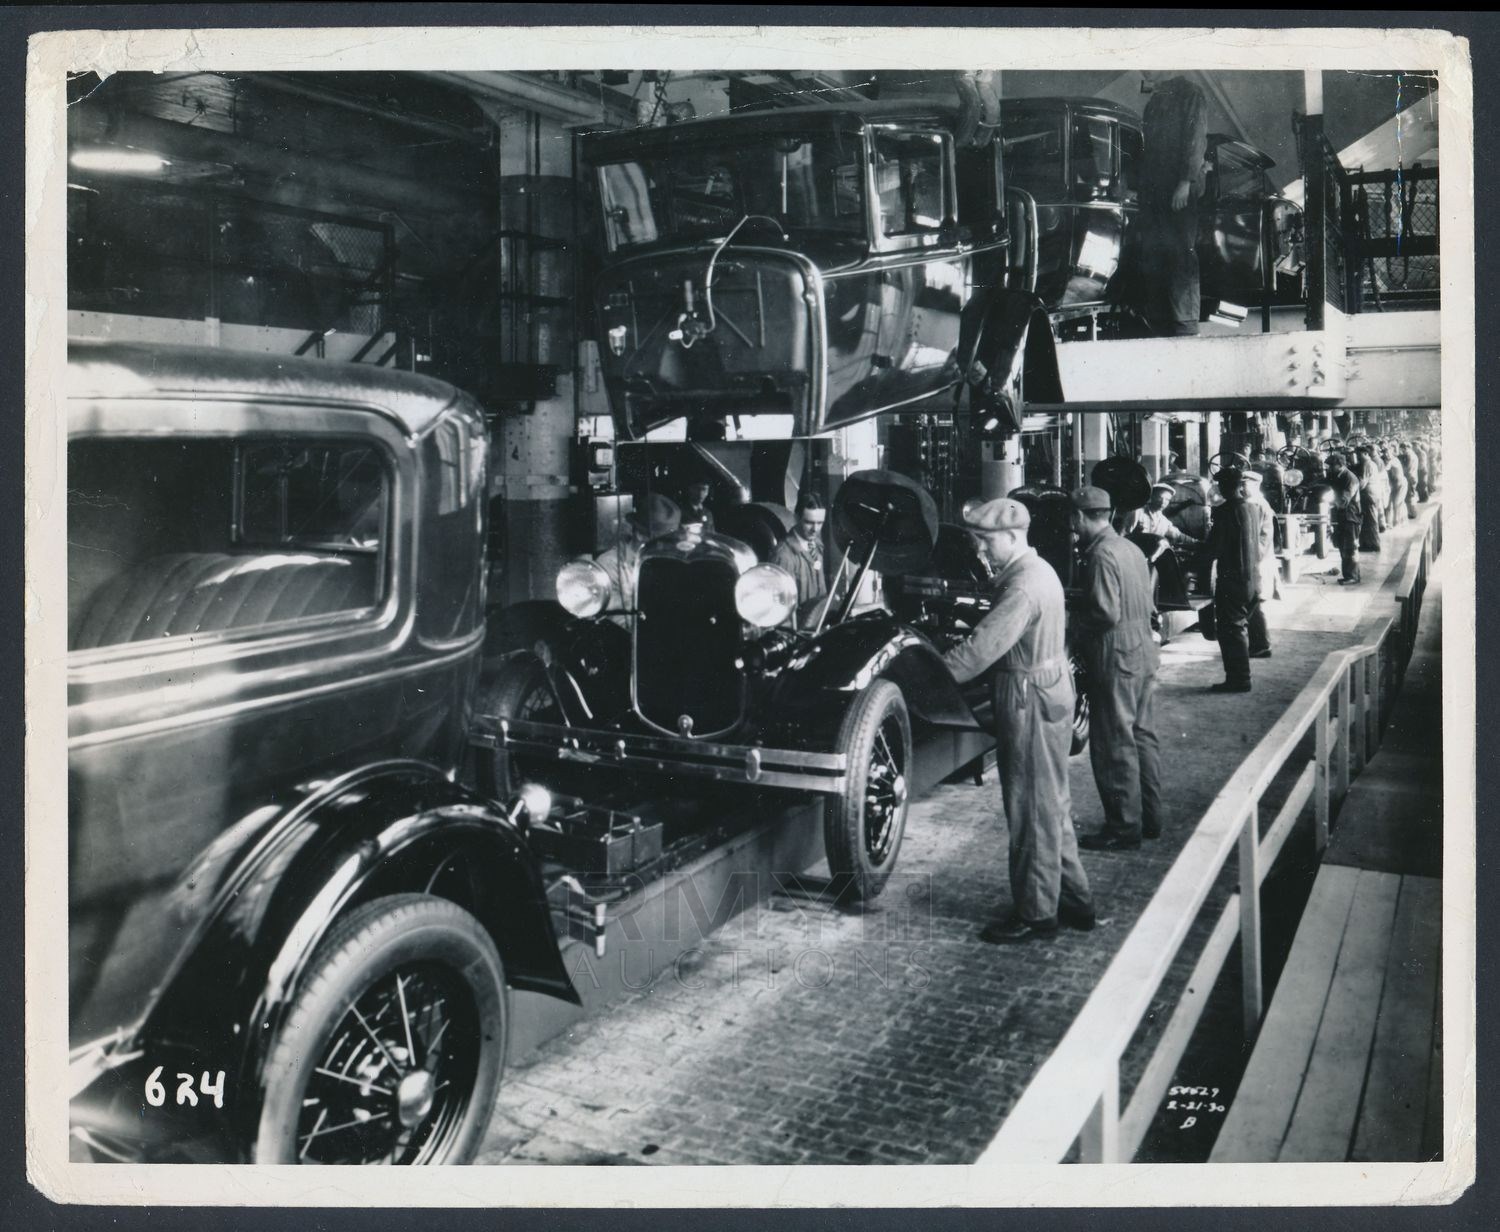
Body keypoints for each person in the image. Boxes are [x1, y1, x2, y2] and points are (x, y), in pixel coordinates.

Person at [941, 497, 1095, 943]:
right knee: (1051, 804)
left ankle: (1036, 913)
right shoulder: (1039, 570)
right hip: (1047, 689)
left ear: (1011, 537)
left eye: (986, 542)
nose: (980, 551)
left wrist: (925, 673)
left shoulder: (1022, 586)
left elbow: (978, 651)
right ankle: (1075, 900)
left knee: (1029, 807)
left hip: (1027, 697)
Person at [1070, 486, 1165, 852]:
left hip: (1116, 653)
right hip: (1142, 648)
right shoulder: (1130, 548)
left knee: (1113, 742)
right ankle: (1150, 819)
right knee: (1143, 735)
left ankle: (1123, 827)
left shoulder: (1101, 556)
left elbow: (1105, 613)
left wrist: (1073, 623)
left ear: (1080, 517)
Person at [1134, 74, 1210, 336]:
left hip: (1176, 189)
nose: (1146, 72)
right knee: (1155, 254)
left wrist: (1185, 181)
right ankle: (1159, 320)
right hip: (1154, 192)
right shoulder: (1155, 101)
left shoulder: (1190, 93)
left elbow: (1195, 138)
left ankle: (1184, 324)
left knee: (1180, 254)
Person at [1205, 467, 1267, 692]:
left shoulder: (1225, 511)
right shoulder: (1253, 508)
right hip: (1251, 577)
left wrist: (1195, 562)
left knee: (1231, 631)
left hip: (1232, 579)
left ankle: (1239, 680)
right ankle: (1241, 677)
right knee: (1239, 627)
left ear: (1223, 487)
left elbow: (1214, 547)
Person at [595, 492, 681, 621]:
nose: (669, 547)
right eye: (663, 542)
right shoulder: (609, 566)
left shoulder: (668, 561)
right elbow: (616, 623)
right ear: (640, 535)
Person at [771, 492, 834, 629]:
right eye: (809, 523)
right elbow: (781, 612)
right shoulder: (784, 555)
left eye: (819, 523)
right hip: (798, 634)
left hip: (817, 627)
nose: (815, 529)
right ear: (796, 518)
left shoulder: (816, 545)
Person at [1241, 469, 1281, 612]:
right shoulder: (1250, 502)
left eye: (1244, 485)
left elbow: (1258, 535)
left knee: (1257, 595)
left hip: (1258, 552)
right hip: (1255, 551)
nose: (1241, 488)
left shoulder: (1258, 504)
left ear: (1255, 485)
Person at [1324, 451, 1363, 585]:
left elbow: (1344, 500)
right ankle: (1348, 575)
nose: (1329, 468)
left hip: (1350, 517)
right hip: (1342, 516)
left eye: (1331, 466)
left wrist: (1328, 503)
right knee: (1342, 546)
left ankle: (1353, 576)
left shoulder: (1350, 478)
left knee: (1350, 547)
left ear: (1339, 465)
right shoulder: (1337, 475)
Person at [1126, 482, 1202, 550]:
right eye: (1160, 497)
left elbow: (1178, 535)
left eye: (1167, 500)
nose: (1163, 502)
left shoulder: (1164, 521)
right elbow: (1124, 534)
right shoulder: (1138, 512)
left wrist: (1197, 542)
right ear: (1152, 497)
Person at [1356, 449, 1383, 554]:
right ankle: (1367, 544)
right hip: (1373, 494)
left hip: (1369, 495)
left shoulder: (1367, 464)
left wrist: (1353, 482)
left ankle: (1374, 545)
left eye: (1359, 454)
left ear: (1366, 453)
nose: (1357, 457)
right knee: (1368, 520)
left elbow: (1362, 483)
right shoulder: (1372, 463)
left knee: (1371, 520)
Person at [1385, 446, 1408, 527]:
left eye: (1388, 453)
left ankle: (1397, 523)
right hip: (1396, 484)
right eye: (1385, 453)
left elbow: (1385, 469)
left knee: (1396, 503)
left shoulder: (1392, 460)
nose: (1386, 455)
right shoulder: (1393, 460)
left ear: (1392, 453)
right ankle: (1397, 521)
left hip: (1400, 484)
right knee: (1394, 503)